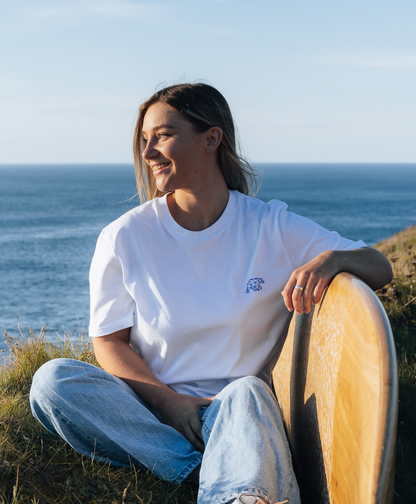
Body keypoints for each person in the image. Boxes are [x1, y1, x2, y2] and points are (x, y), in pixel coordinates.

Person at [30, 83, 393, 504]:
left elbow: (379, 265)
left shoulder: (270, 227)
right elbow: (109, 341)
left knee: (244, 391)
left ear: (211, 138)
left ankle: (228, 477)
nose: (148, 153)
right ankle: (207, 470)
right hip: (153, 409)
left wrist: (331, 259)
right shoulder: (124, 237)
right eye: (144, 141)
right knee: (51, 382)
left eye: (162, 136)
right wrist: (169, 402)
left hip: (240, 412)